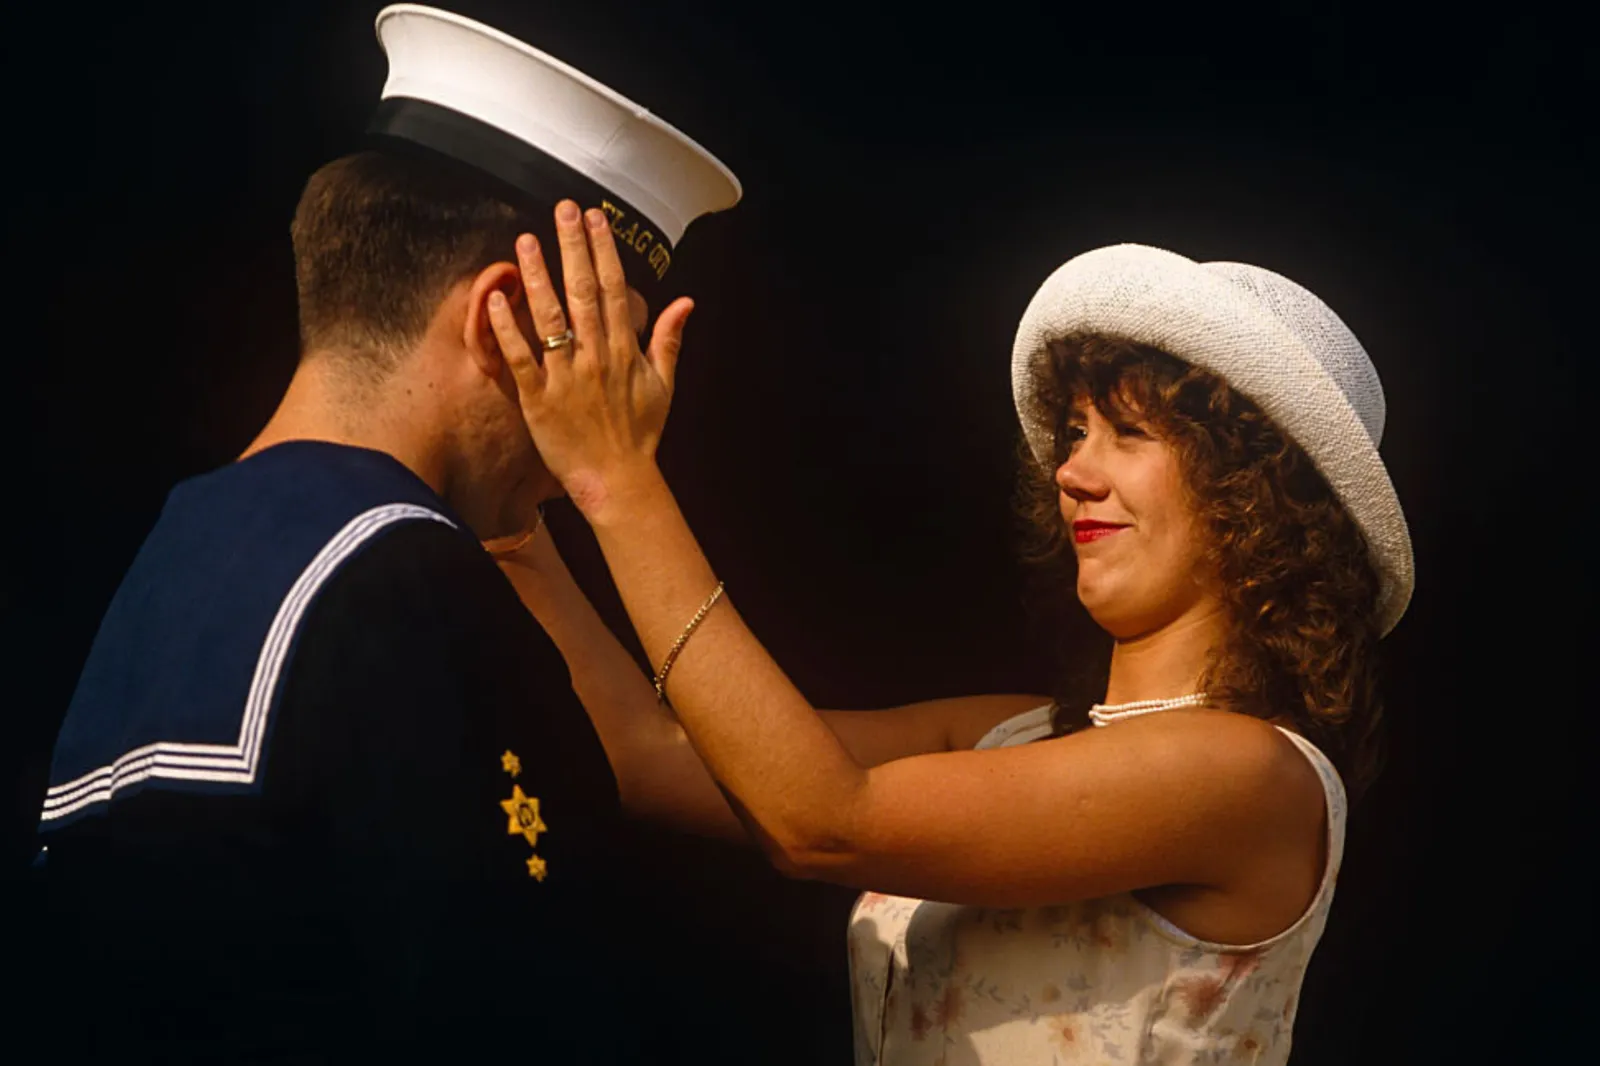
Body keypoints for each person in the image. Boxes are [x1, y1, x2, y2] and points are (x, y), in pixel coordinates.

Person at [481, 206, 1413, 1064]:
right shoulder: (1008, 736)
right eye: (1076, 429)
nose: (1073, 469)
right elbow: (650, 753)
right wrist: (510, 506)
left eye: (1130, 434)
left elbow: (821, 821)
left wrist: (617, 480)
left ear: (1259, 504)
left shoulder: (1252, 778)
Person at [32, 6, 738, 1060]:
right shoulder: (407, 579)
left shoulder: (177, 558)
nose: (607, 412)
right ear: (504, 317)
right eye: (607, 358)